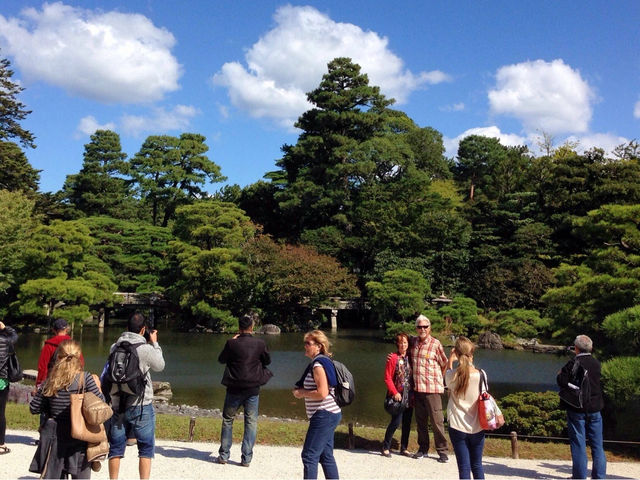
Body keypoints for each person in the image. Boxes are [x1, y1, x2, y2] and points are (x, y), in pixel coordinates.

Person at [29, 339, 105, 478]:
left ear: (58, 357)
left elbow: (34, 408)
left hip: (55, 440)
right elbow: (101, 406)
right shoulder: (85, 378)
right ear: (79, 356)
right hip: (80, 437)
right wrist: (98, 387)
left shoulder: (50, 380)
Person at [107, 313, 165, 480]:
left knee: (116, 447)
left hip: (118, 403)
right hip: (141, 405)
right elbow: (160, 365)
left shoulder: (114, 347)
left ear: (126, 328)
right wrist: (155, 343)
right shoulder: (145, 349)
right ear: (143, 330)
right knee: (146, 448)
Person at [216, 314, 273, 466]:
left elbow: (221, 360)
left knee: (228, 419)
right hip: (252, 387)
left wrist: (233, 341)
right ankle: (246, 458)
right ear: (252, 327)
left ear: (239, 327)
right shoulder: (260, 344)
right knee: (251, 422)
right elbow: (267, 361)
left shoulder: (231, 343)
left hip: (234, 387)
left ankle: (224, 455)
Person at [292, 330, 341, 480]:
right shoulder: (321, 361)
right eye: (305, 343)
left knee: (309, 455)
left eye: (308, 343)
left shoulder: (318, 365)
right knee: (325, 455)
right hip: (330, 413)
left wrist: (302, 393)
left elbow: (322, 393)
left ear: (319, 346)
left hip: (324, 414)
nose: (305, 346)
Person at [557, 335, 606, 479]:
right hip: (595, 408)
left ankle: (579, 477)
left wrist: (560, 373)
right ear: (591, 348)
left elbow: (561, 380)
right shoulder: (596, 363)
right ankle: (599, 476)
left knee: (578, 445)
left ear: (576, 348)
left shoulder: (574, 362)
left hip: (577, 408)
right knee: (598, 446)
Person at [409, 314, 449, 462]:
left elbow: (444, 363)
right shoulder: (413, 342)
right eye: (419, 327)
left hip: (432, 389)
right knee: (421, 422)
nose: (422, 329)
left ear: (430, 328)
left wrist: (438, 378)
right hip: (417, 389)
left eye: (425, 326)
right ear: (416, 328)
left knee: (437, 422)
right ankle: (423, 448)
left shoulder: (435, 344)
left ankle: (442, 451)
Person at [445, 336, 485, 479]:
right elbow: (484, 395)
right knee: (477, 465)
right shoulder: (481, 375)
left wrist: (450, 361)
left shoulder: (452, 375)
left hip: (457, 425)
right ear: (471, 354)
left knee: (464, 468)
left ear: (456, 353)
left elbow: (447, 383)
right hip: (477, 425)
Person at [381, 332, 413, 457]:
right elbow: (387, 377)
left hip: (409, 394)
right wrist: (394, 392)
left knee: (407, 422)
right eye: (400, 343)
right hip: (397, 394)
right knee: (396, 421)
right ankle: (385, 446)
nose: (403, 345)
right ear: (397, 344)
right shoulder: (393, 358)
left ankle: (404, 448)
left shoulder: (410, 357)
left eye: (405, 342)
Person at [36, 318, 79, 389]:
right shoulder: (73, 345)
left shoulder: (49, 346)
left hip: (52, 382)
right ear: (67, 329)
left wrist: (39, 385)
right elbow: (80, 363)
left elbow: (42, 368)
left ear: (53, 330)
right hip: (71, 381)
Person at [0, 321, 18, 455]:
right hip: (1, 380)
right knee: (0, 413)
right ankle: (0, 444)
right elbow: (14, 336)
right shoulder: (6, 341)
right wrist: (5, 327)